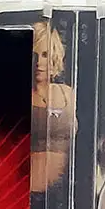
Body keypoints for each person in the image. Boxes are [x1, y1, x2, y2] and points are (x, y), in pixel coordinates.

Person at [31, 20, 76, 192]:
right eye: (34, 55)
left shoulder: (68, 93)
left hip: (66, 191)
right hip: (27, 191)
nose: (39, 62)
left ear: (54, 56)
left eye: (45, 54)